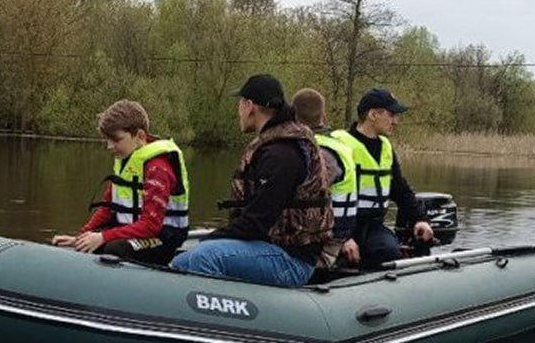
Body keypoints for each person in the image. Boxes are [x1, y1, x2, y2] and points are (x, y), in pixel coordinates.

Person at [171, 74, 332, 287]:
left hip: (291, 259)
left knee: (204, 257)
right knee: (181, 261)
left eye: (240, 103)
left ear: (249, 106)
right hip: (269, 247)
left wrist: (210, 240)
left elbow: (257, 221)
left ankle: (220, 318)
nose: (239, 110)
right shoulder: (275, 145)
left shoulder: (282, 154)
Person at [52, 99, 190, 265]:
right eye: (107, 140)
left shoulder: (157, 169)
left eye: (116, 140)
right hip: (133, 230)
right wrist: (82, 236)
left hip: (161, 238)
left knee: (114, 249)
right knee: (91, 242)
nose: (109, 146)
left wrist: (102, 237)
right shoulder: (127, 161)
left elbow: (151, 226)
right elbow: (107, 208)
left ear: (139, 136)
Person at [329, 88, 434, 269]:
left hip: (373, 227)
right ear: (373, 114)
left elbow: (400, 189)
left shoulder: (386, 147)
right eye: (391, 114)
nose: (396, 121)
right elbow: (322, 195)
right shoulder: (339, 145)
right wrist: (342, 237)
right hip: (339, 227)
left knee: (388, 252)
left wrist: (420, 219)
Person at [290, 88, 358, 269]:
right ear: (324, 116)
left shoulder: (317, 152)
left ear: (292, 116)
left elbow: (305, 196)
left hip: (324, 247)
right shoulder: (335, 147)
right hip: (335, 236)